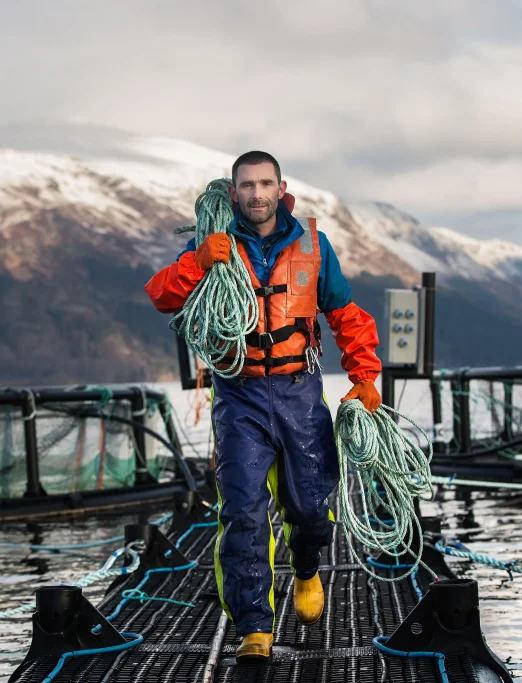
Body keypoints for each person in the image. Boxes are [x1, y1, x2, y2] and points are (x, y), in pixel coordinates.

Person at [143, 151, 382, 662]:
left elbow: (346, 314)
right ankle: (255, 628)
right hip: (239, 393)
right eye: (247, 185)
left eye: (264, 183)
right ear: (234, 193)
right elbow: (162, 296)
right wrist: (197, 261)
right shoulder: (212, 245)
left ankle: (306, 568)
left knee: (312, 506)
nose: (256, 193)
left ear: (281, 188)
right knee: (243, 512)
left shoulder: (314, 246)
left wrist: (364, 376)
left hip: (299, 391)